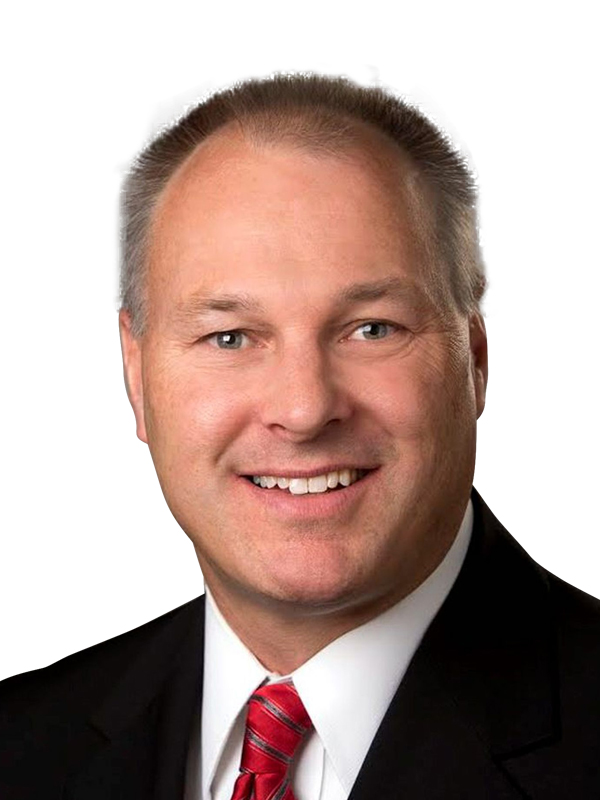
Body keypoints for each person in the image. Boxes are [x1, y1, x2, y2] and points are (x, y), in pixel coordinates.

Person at [1, 73, 599, 800]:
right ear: (136, 374)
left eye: (372, 329)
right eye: (229, 337)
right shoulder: (22, 747)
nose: (304, 408)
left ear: (473, 359)